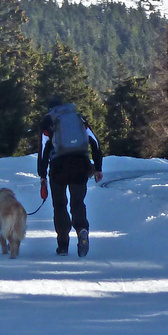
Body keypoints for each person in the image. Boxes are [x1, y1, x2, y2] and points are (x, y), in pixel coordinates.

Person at [37, 98, 103, 257]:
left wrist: (42, 175)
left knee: (60, 205)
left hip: (58, 167)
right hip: (80, 164)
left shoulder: (49, 120)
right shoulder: (78, 118)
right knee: (77, 202)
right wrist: (98, 168)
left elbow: (44, 149)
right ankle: (82, 229)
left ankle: (63, 245)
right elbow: (95, 142)